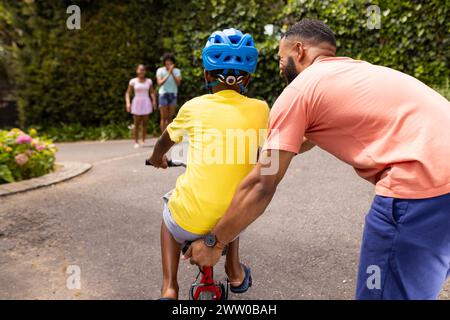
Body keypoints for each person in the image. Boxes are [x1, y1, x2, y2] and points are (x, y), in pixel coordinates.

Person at [185, 19, 450, 300]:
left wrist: (215, 242)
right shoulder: (356, 72)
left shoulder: (300, 90)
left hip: (423, 189)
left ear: (299, 50)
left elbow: (263, 184)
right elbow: (301, 140)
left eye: (280, 57)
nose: (279, 67)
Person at [148, 28, 269, 299]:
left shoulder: (193, 107)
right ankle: (235, 272)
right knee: (236, 202)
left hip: (190, 219)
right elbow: (266, 151)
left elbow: (164, 142)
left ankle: (169, 287)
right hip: (234, 216)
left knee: (169, 218)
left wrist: (157, 159)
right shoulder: (261, 108)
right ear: (247, 79)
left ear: (206, 75)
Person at [125, 64, 157, 148]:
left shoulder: (149, 81)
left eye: (143, 70)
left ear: (145, 71)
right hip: (136, 103)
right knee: (136, 123)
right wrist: (128, 103)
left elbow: (152, 92)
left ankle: (143, 140)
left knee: (145, 123)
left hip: (146, 102)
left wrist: (154, 101)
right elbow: (128, 93)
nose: (141, 71)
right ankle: (136, 142)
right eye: (140, 70)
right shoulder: (133, 81)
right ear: (137, 71)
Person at [156, 53, 181, 133]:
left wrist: (172, 73)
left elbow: (178, 83)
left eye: (170, 63)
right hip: (163, 94)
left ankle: (170, 136)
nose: (168, 64)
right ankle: (162, 136)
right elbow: (159, 83)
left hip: (173, 94)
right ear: (164, 63)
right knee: (164, 117)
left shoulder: (177, 71)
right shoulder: (160, 70)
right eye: (167, 63)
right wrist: (168, 73)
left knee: (171, 117)